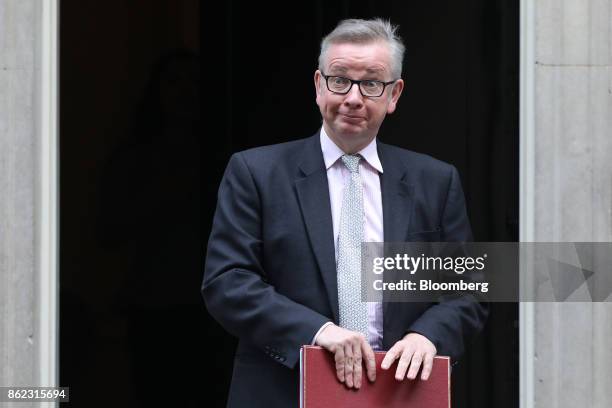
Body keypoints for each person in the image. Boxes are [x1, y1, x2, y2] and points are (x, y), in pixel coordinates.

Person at [203, 18, 488, 407]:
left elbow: (467, 290)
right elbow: (227, 282)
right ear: (319, 86)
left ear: (394, 95)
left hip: (397, 392)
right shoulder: (257, 173)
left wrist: (428, 336)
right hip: (284, 390)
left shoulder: (435, 181)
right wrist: (318, 331)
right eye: (340, 80)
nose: (353, 97)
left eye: (371, 83)